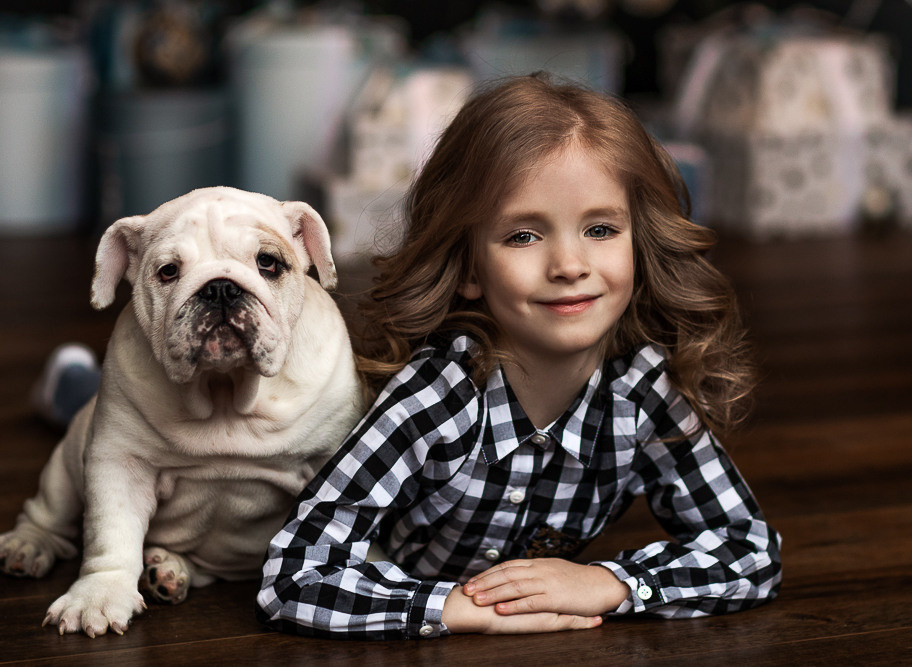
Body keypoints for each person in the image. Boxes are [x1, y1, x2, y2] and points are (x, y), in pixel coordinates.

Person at [254, 72, 782, 640]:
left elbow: (749, 549)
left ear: (640, 242)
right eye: (524, 236)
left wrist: (614, 582)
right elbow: (293, 575)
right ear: (470, 266)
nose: (570, 265)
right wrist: (453, 609)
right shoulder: (436, 396)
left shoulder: (641, 391)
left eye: (600, 229)